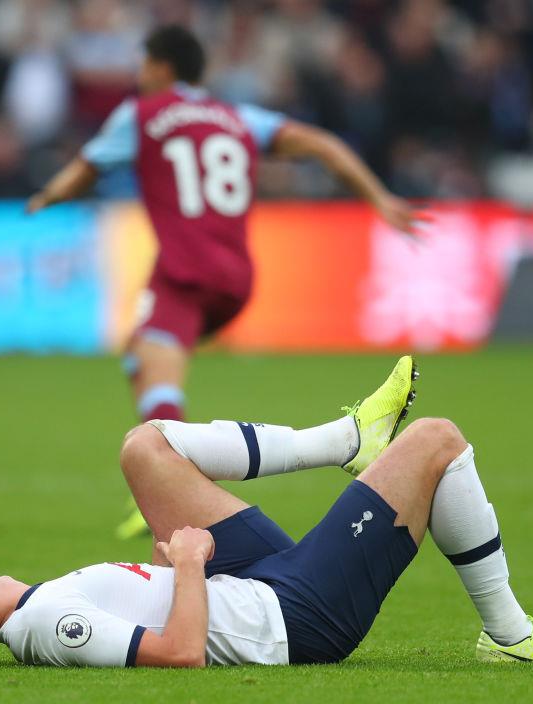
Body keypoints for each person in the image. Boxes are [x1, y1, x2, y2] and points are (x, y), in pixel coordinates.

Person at [0, 357, 533, 667]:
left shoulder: (36, 609)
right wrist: (188, 565)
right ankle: (507, 635)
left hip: (248, 580)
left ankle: (346, 439)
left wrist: (178, 572)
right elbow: (181, 656)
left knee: (144, 448)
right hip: (293, 616)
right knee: (438, 441)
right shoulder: (46, 629)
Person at [26, 25, 422, 538]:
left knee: (153, 364)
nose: (140, 75)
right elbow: (320, 144)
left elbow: (85, 170)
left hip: (182, 272)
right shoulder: (238, 116)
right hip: (235, 281)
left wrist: (47, 197)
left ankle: (163, 484)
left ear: (162, 68)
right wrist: (377, 196)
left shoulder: (142, 115)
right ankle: (164, 471)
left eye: (145, 65)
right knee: (139, 356)